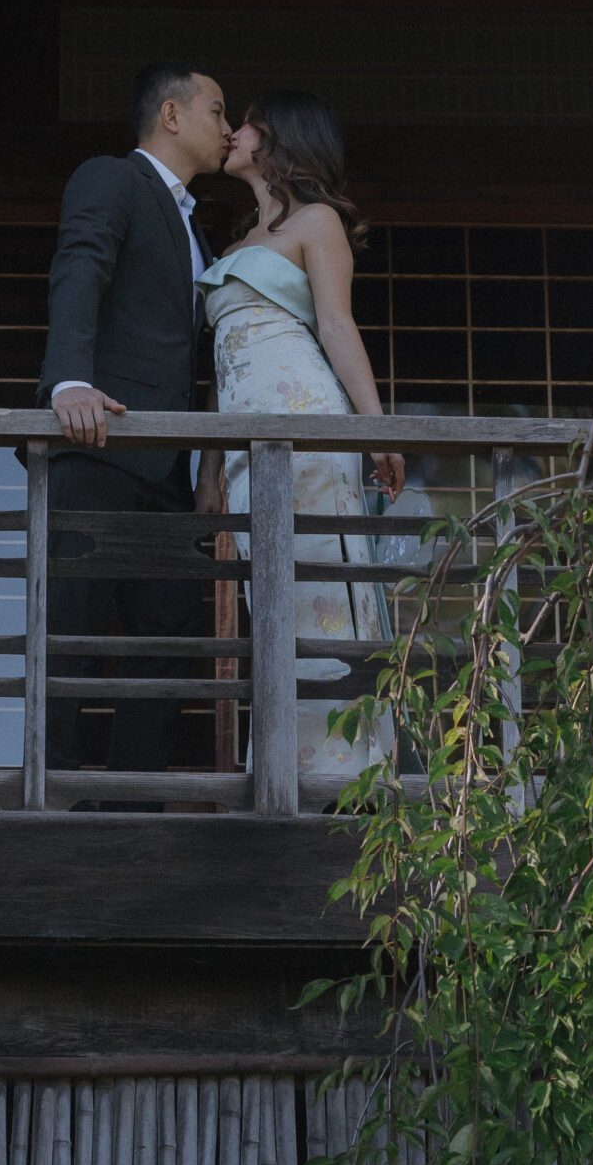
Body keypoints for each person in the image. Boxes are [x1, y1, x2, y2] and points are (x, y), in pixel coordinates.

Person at [195, 92, 404, 792]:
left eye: (246, 121)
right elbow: (220, 371)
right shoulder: (234, 242)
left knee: (324, 594)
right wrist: (209, 470)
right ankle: (286, 767)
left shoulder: (318, 223)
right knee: (273, 602)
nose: (232, 132)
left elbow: (338, 328)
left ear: (280, 139)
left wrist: (375, 431)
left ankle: (351, 773)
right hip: (247, 444)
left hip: (307, 426)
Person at [37, 62, 231, 788]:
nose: (229, 126)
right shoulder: (112, 178)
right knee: (74, 623)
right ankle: (53, 792)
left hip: (170, 465)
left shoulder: (197, 230)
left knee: (172, 628)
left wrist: (209, 462)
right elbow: (79, 265)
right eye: (218, 110)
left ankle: (133, 798)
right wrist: (70, 380)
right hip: (97, 443)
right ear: (172, 116)